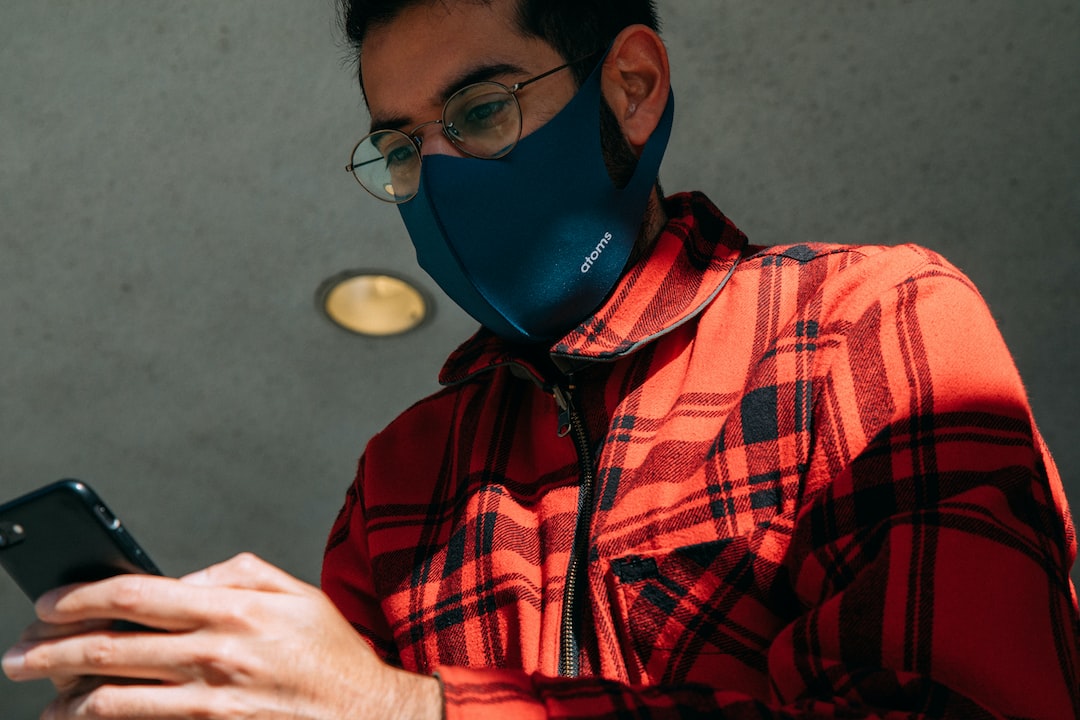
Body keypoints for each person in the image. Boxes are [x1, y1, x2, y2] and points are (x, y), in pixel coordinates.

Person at [4, 0, 1079, 718]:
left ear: (632, 88)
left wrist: (406, 708)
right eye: (398, 145)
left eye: (479, 111)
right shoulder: (400, 478)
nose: (440, 177)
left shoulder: (860, 321)